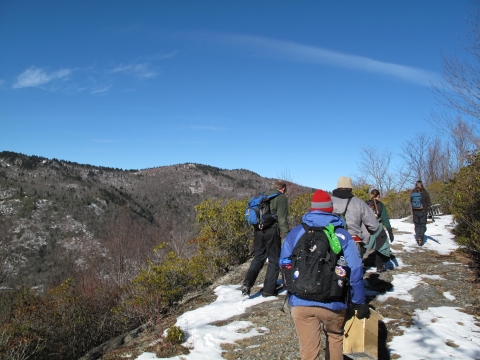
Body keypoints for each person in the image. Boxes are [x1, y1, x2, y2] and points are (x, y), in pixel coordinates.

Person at [280, 190, 369, 360]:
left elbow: (283, 263)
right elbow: (356, 269)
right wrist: (359, 302)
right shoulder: (342, 234)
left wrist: (292, 287)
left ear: (312, 209)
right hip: (333, 301)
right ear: (331, 209)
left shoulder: (297, 232)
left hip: (301, 301)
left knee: (308, 350)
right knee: (335, 338)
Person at [241, 180, 289, 298]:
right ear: (283, 189)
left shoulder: (264, 196)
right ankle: (268, 290)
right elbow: (282, 219)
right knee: (273, 260)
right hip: (272, 231)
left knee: (258, 257)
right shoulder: (281, 198)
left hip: (258, 231)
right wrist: (288, 235)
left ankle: (247, 283)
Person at [331, 176, 379, 260]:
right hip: (353, 241)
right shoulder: (359, 202)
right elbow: (374, 225)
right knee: (354, 271)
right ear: (350, 188)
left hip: (331, 241)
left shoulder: (328, 201)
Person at [365, 189, 394, 272]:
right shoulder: (380, 205)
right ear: (379, 196)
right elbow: (385, 219)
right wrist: (390, 231)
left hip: (366, 228)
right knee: (380, 246)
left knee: (362, 247)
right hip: (377, 228)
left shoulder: (365, 204)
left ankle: (357, 265)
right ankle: (379, 266)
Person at [411, 180, 432, 246]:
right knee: (422, 225)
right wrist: (429, 209)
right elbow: (429, 202)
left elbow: (411, 201)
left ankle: (418, 237)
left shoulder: (413, 192)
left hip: (415, 211)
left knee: (417, 225)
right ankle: (421, 237)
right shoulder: (424, 192)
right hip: (423, 210)